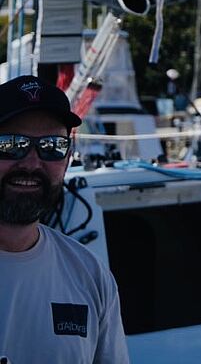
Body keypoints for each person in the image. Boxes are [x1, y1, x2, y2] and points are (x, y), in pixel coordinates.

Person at [0, 74, 129, 364]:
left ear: (68, 158)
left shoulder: (91, 277)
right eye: (11, 144)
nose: (32, 163)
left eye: (52, 146)